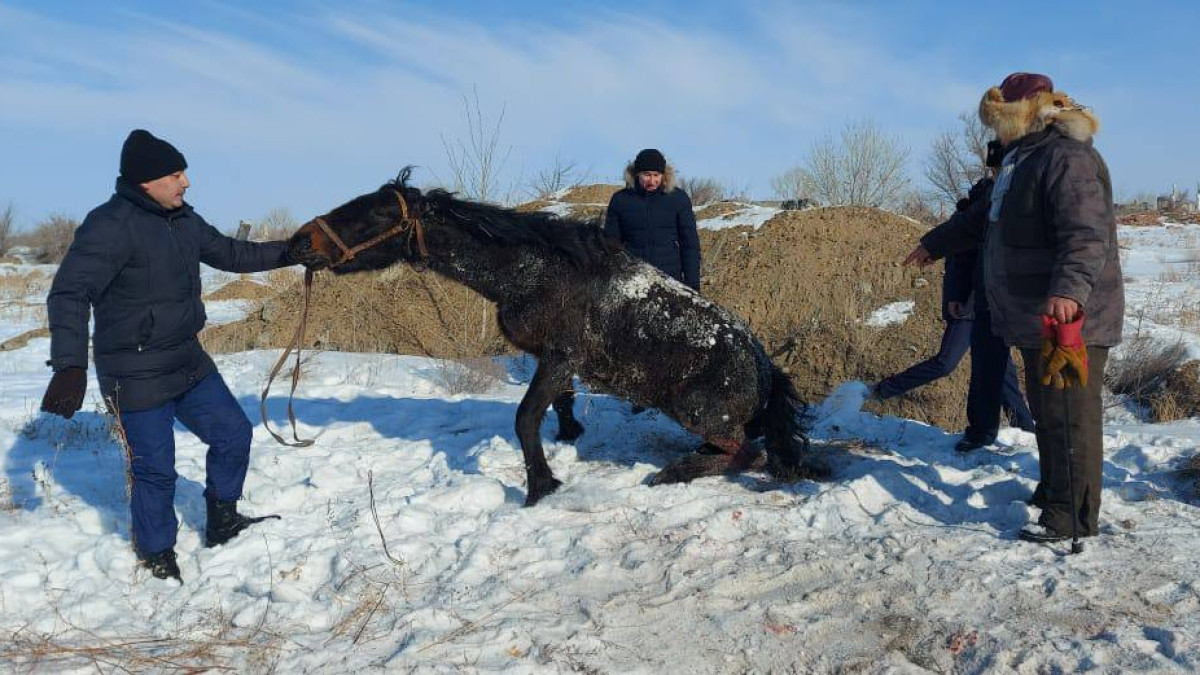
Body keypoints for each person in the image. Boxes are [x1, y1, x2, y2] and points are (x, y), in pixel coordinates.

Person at [40, 129, 299, 581]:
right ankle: (157, 554)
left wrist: (295, 251)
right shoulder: (110, 225)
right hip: (134, 372)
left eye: (184, 172)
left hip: (187, 360)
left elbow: (233, 252)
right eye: (176, 174)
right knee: (156, 470)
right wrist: (70, 365)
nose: (186, 182)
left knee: (234, 434)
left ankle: (222, 520)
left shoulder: (183, 220)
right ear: (146, 181)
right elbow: (69, 292)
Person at [904, 73, 1123, 544]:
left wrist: (1068, 290)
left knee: (1069, 414)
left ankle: (1072, 516)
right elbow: (982, 220)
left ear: (1026, 114)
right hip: (1032, 316)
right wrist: (933, 244)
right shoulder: (1020, 160)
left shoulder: (1067, 157)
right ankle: (1052, 491)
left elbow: (1087, 233)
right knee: (1048, 411)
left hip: (1069, 315)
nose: (996, 132)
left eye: (1001, 121)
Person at [876, 148, 1035, 452]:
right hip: (973, 302)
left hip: (998, 298)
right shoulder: (987, 197)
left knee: (1004, 372)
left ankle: (1026, 432)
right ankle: (880, 391)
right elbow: (960, 254)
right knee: (946, 362)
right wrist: (955, 296)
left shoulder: (1017, 194)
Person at [604, 148, 701, 291]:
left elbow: (690, 245)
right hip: (633, 280)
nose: (652, 180)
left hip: (670, 280)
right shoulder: (620, 200)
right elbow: (611, 246)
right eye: (646, 175)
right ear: (637, 174)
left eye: (656, 175)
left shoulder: (678, 199)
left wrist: (692, 285)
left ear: (663, 175)